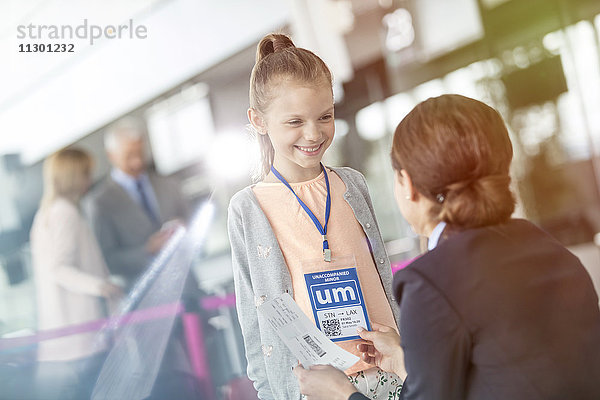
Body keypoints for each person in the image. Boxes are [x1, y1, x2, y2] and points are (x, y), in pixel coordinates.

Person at [293, 94, 600, 399]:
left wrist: (341, 393)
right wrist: (405, 360)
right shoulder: (548, 248)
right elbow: (502, 371)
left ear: (408, 184)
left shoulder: (431, 282)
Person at [227, 33, 404, 400]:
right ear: (258, 120)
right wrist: (272, 392)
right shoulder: (248, 208)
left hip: (389, 373)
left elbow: (381, 272)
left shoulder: (350, 183)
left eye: (325, 116)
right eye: (294, 122)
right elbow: (253, 320)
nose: (314, 133)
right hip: (316, 387)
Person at [30, 148, 122, 399]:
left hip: (67, 342)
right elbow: (57, 268)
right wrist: (102, 287)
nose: (89, 180)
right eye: (85, 173)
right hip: (82, 339)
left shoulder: (47, 213)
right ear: (72, 176)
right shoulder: (64, 212)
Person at [84, 117, 189, 290]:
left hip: (187, 286)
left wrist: (182, 231)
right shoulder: (100, 203)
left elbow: (193, 228)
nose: (137, 162)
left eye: (140, 153)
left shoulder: (169, 185)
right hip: (145, 298)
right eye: (129, 156)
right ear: (111, 155)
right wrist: (148, 249)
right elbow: (108, 261)